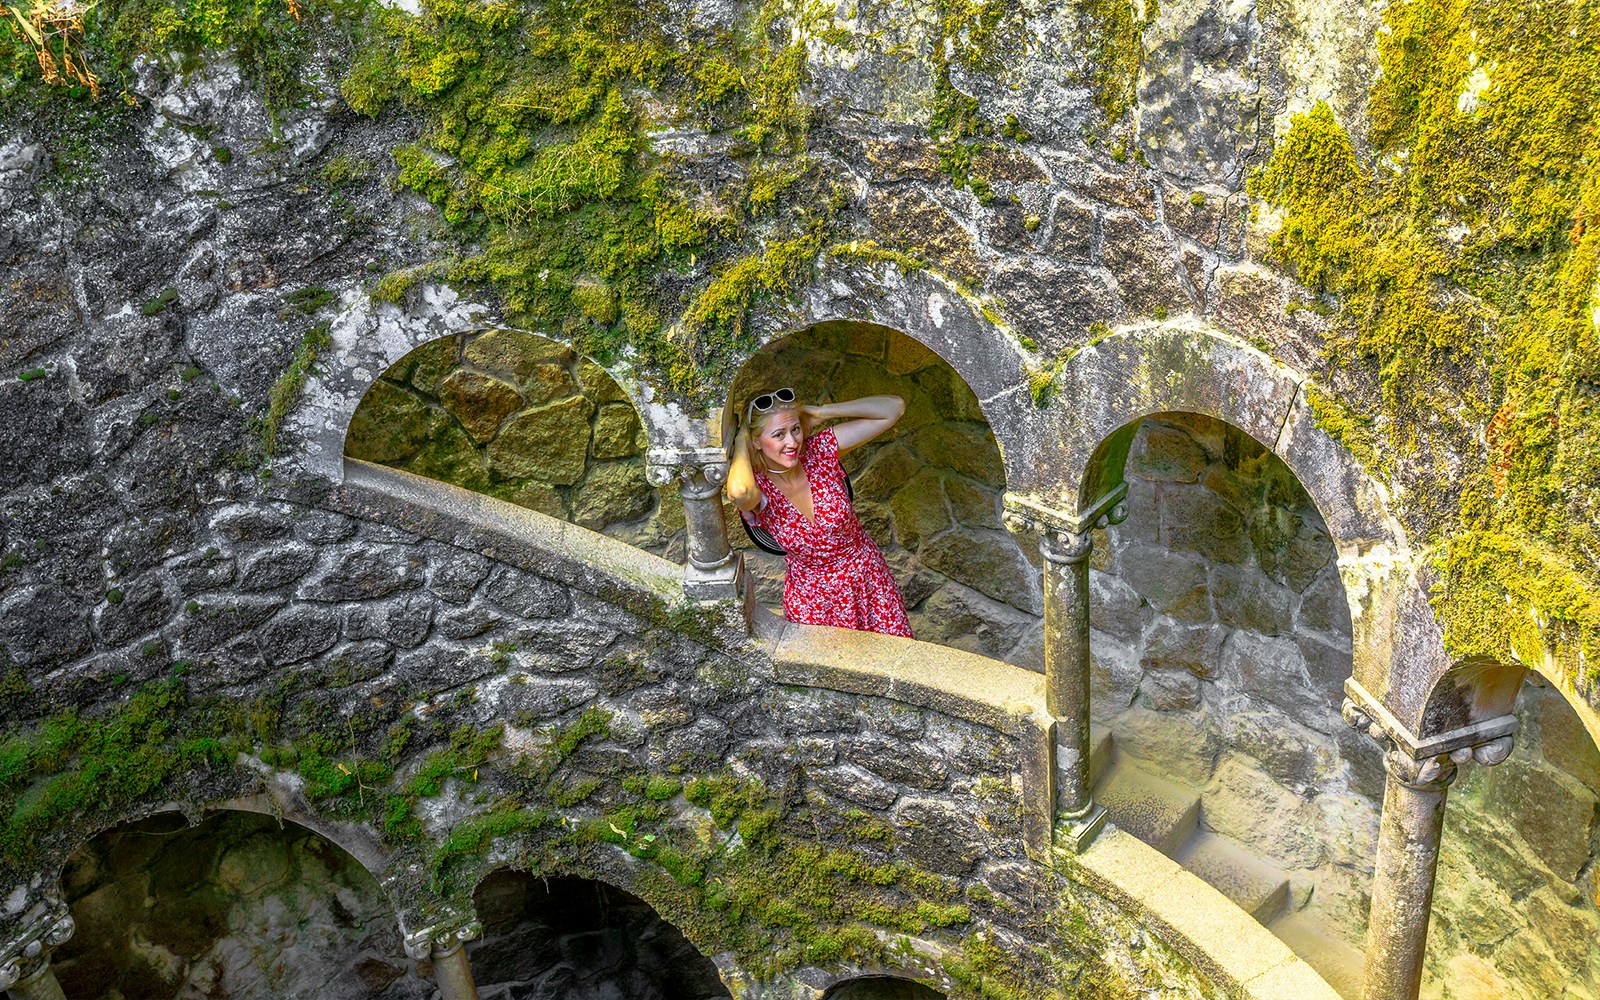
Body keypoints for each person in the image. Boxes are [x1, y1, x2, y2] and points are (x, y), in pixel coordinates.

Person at [725, 388, 913, 638]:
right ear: (757, 441)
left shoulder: (819, 452)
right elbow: (739, 493)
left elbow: (893, 407)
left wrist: (822, 412)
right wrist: (740, 442)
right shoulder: (758, 485)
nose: (792, 442)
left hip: (869, 585)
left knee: (895, 666)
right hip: (813, 602)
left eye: (795, 429)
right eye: (779, 435)